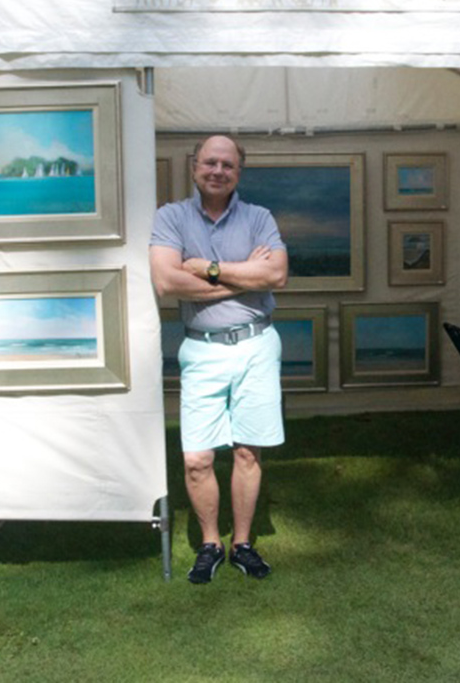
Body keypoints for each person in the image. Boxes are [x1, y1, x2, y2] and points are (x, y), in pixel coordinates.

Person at [149, 135, 288, 584]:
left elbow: (277, 274)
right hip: (202, 349)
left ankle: (242, 544)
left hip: (256, 345)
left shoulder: (258, 218)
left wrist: (205, 267)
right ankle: (209, 543)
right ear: (194, 167)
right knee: (197, 459)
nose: (218, 171)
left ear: (238, 173)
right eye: (210, 162)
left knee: (248, 452)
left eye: (228, 164)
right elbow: (167, 282)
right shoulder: (170, 217)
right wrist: (244, 276)